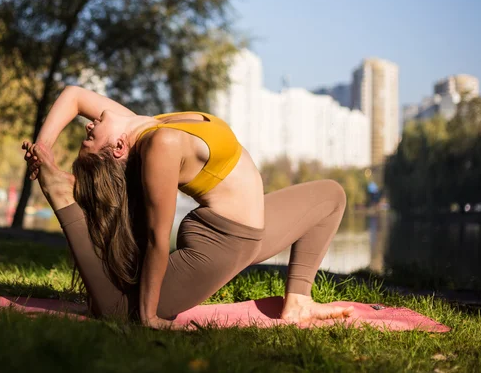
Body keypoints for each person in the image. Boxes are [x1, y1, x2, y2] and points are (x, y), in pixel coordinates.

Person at [22, 86, 353, 329]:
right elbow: (156, 238)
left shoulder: (143, 124)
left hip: (252, 227)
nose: (88, 127)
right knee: (121, 312)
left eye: (88, 134)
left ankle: (298, 302)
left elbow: (75, 97)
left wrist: (43, 147)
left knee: (331, 197)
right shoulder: (159, 144)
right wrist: (150, 315)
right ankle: (63, 197)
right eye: (91, 139)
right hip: (223, 244)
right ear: (119, 148)